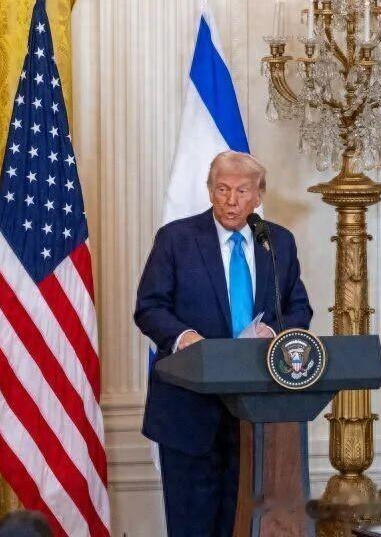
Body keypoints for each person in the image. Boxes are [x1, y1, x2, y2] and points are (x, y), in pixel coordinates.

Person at [135, 151, 313, 536]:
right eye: (222, 189)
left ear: (258, 196)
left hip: (256, 414)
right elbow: (149, 307)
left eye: (242, 191)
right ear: (210, 191)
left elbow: (299, 308)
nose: (231, 200)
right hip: (188, 411)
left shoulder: (277, 242)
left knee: (243, 523)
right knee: (193, 526)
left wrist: (274, 332)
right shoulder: (176, 239)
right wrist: (184, 337)